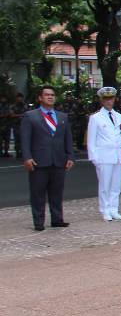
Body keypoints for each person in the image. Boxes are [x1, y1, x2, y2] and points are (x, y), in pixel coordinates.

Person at [20, 86, 74, 231]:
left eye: (52, 95)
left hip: (58, 160)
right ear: (40, 98)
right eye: (47, 95)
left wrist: (70, 156)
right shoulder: (30, 116)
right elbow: (25, 139)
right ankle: (39, 222)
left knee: (56, 192)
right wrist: (27, 157)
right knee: (38, 194)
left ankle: (57, 219)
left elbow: (67, 138)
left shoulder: (62, 116)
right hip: (38, 161)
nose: (50, 97)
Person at [87, 87, 121, 221]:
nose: (109, 101)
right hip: (104, 156)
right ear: (101, 100)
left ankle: (114, 209)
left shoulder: (119, 116)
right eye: (106, 99)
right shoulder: (95, 118)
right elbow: (91, 140)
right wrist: (94, 158)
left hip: (118, 155)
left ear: (114, 99)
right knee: (104, 186)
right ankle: (105, 210)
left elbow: (120, 134)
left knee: (116, 185)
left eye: (111, 98)